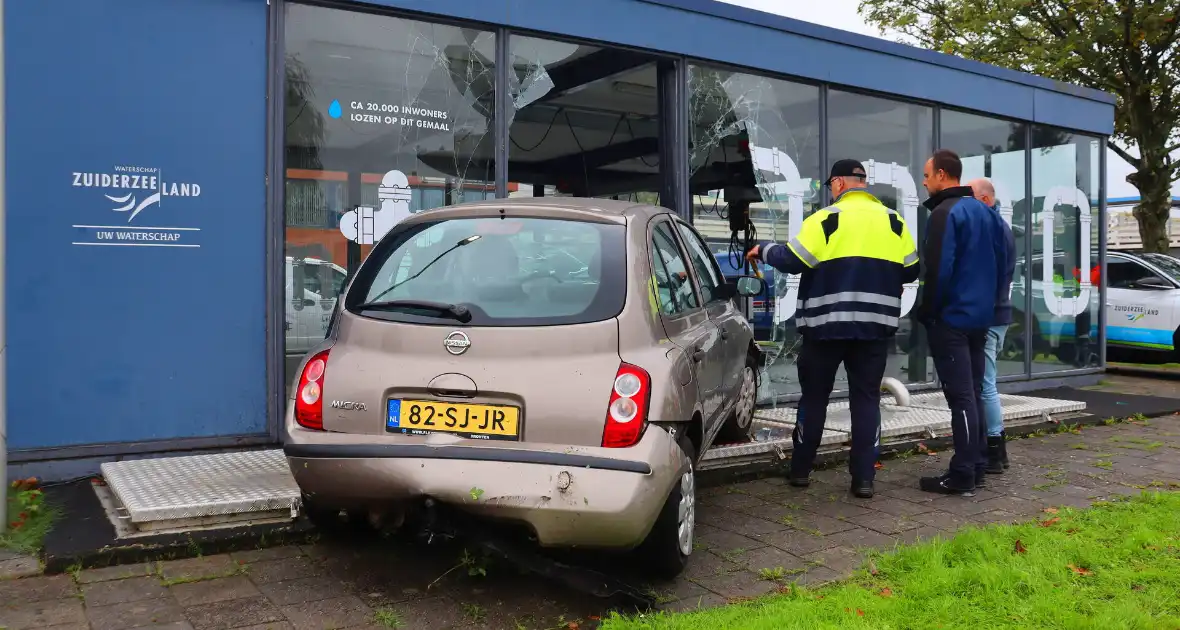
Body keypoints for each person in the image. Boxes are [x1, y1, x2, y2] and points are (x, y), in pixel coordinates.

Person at [747, 159, 919, 499]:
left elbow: (794, 258)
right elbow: (912, 270)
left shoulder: (826, 219)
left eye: (830, 185)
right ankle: (864, 480)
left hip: (824, 328)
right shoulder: (894, 222)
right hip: (874, 329)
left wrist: (763, 249)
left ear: (839, 184)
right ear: (863, 184)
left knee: (814, 397)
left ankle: (800, 471)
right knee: (866, 400)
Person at [916, 151, 1010, 496]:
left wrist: (928, 311)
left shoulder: (944, 213)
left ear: (942, 175)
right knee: (972, 392)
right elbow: (1002, 266)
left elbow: (938, 269)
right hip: (981, 317)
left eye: (926, 175)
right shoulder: (987, 214)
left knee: (961, 398)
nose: (924, 181)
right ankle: (979, 464)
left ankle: (964, 473)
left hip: (952, 318)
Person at [968, 177, 1016, 474]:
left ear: (985, 200)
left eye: (971, 198)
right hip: (997, 315)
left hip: (990, 316)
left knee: (985, 384)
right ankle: (994, 449)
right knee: (986, 382)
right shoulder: (1001, 229)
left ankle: (995, 450)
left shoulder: (992, 230)